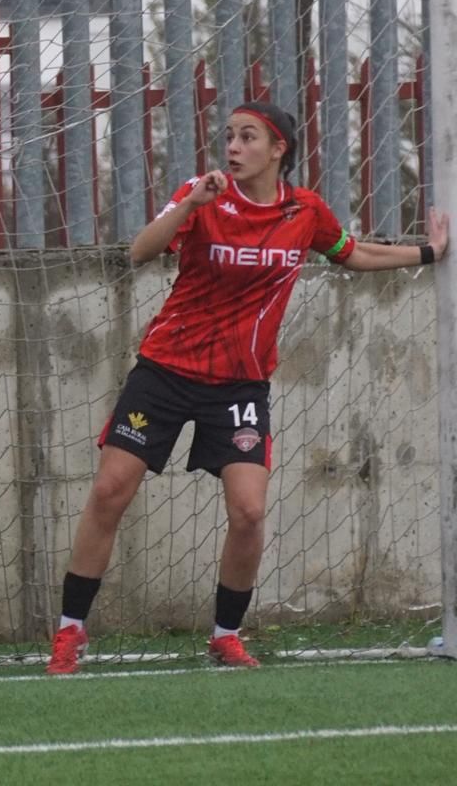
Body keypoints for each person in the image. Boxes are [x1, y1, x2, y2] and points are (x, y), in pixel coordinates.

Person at [47, 102, 450, 674]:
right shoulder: (201, 196)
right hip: (164, 371)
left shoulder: (303, 211)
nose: (233, 147)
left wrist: (431, 252)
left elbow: (352, 253)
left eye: (247, 137)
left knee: (249, 511)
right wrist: (190, 203)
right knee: (111, 490)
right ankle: (69, 633)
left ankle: (225, 636)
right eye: (229, 137)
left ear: (278, 148)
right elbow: (138, 252)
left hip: (240, 385)